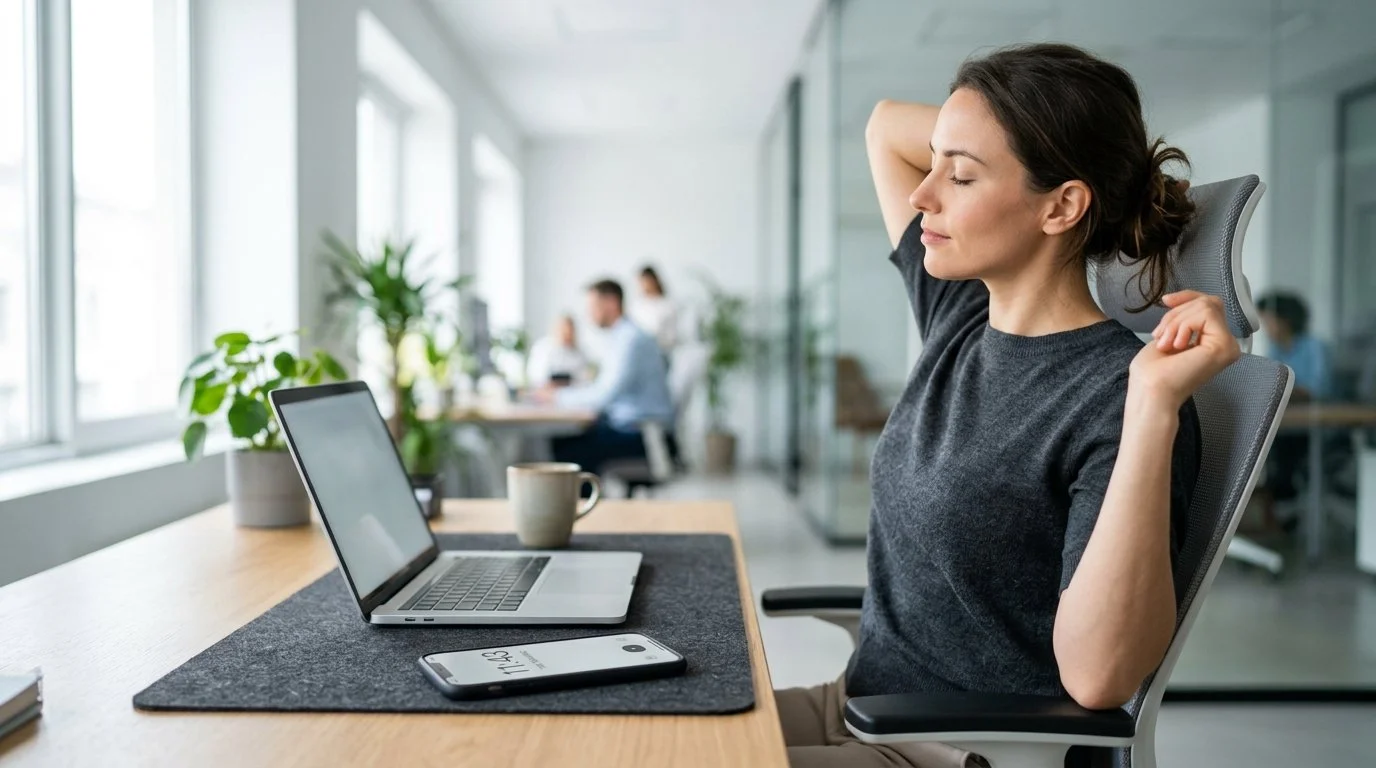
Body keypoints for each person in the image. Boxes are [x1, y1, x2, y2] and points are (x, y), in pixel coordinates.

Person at [775, 43, 1239, 768]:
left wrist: (1152, 410)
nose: (925, 194)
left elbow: (1099, 677)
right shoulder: (960, 314)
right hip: (861, 703)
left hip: (965, 745)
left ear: (1061, 204)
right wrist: (1003, 139)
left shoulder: (1117, 397)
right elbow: (883, 127)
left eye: (960, 175)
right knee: (632, 726)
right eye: (936, 164)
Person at [537, 279, 673, 475]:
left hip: (642, 436)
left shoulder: (630, 340)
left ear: (611, 303)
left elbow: (605, 395)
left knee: (568, 448)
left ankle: (582, 503)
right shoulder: (622, 337)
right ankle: (585, 500)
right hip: (632, 427)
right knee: (568, 440)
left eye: (593, 306)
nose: (589, 314)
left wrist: (556, 396)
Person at [1257, 291, 1332, 505]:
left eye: (1268, 321)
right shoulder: (1276, 349)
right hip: (1290, 425)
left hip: (1319, 427)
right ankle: (1273, 503)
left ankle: (1280, 502)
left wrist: (1285, 389)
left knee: (1280, 455)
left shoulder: (1314, 347)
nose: (1266, 328)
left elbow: (1319, 391)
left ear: (1285, 320)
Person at [527, 314, 589, 388]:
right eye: (563, 331)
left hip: (571, 392)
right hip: (546, 391)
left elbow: (584, 378)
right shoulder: (542, 348)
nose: (566, 336)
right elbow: (534, 376)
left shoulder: (580, 353)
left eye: (569, 333)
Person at [629, 266, 679, 355]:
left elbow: (672, 337)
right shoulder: (636, 306)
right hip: (639, 352)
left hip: (660, 352)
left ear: (654, 281)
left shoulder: (667, 305)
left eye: (646, 281)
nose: (643, 285)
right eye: (641, 282)